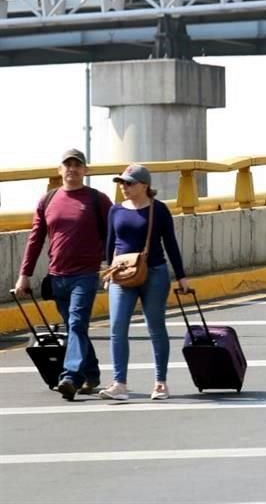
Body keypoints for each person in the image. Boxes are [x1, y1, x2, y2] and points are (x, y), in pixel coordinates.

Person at [14, 149, 111, 401]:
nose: (72, 169)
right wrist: (24, 275)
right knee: (72, 326)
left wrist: (112, 266)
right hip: (57, 276)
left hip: (86, 274)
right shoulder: (48, 200)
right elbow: (35, 240)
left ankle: (69, 377)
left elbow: (114, 234)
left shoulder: (96, 199)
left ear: (85, 171)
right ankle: (91, 374)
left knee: (77, 324)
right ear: (60, 170)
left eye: (77, 165)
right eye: (67, 165)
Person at [99, 164, 188, 401]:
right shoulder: (115, 210)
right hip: (120, 273)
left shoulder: (158, 210)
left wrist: (181, 277)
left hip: (154, 273)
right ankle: (119, 383)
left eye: (129, 183)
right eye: (122, 183)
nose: (124, 187)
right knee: (117, 327)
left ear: (144, 186)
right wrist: (108, 273)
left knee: (156, 327)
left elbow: (170, 243)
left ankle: (160, 383)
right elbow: (110, 244)